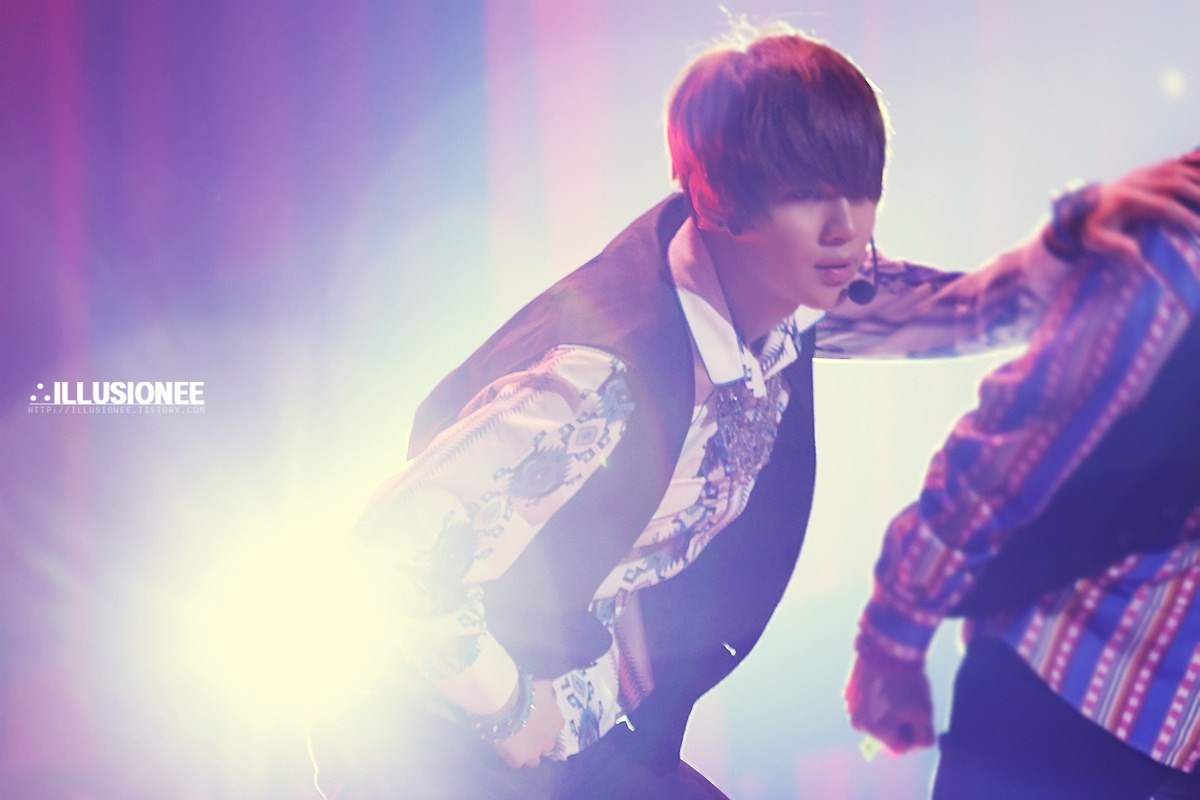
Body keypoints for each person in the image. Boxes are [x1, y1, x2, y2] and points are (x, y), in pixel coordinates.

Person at [312, 26, 1200, 800]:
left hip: (591, 741)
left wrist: (1084, 252)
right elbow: (391, 559)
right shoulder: (601, 380)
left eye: (862, 188)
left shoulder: (791, 291)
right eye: (810, 195)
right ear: (719, 202)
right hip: (435, 751)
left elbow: (948, 312)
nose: (848, 228)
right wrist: (511, 711)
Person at [845, 153, 1200, 798]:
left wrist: (894, 637)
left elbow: (1011, 442)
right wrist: (894, 636)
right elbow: (1012, 444)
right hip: (1080, 696)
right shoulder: (1180, 232)